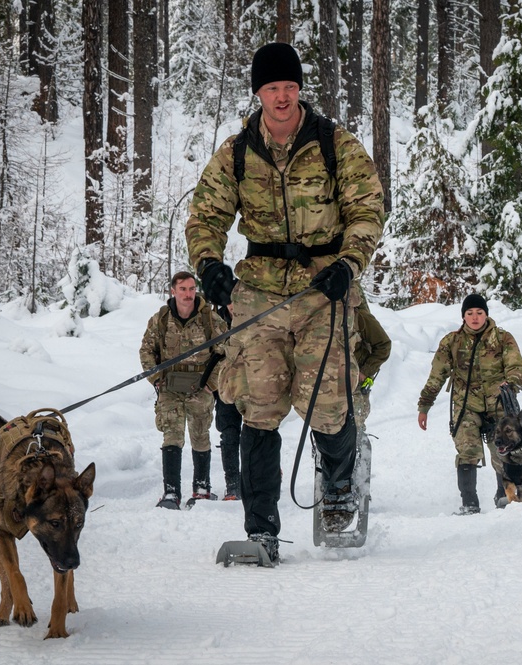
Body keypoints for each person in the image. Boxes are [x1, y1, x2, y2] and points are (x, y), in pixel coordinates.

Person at [184, 42, 384, 561]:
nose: (281, 96)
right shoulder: (236, 150)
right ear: (258, 92)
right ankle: (260, 528)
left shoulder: (335, 144)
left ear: (299, 90)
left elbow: (368, 210)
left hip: (325, 290)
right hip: (262, 292)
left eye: (289, 87)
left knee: (328, 404)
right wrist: (209, 266)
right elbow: (204, 215)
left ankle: (340, 485)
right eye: (271, 87)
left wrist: (349, 262)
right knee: (259, 407)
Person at [417, 294, 522, 515]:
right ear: (463, 316)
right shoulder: (452, 342)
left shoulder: (503, 339)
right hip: (467, 405)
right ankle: (469, 503)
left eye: (479, 313)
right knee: (467, 449)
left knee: (502, 450)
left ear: (486, 314)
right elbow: (437, 375)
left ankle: (504, 495)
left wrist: (511, 383)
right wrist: (424, 405)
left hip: (499, 404)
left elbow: (516, 365)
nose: (475, 317)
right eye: (470, 313)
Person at [139, 271, 228, 509]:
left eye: (191, 289)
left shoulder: (210, 318)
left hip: (201, 387)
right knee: (172, 436)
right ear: (172, 291)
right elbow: (146, 351)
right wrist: (157, 379)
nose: (188, 295)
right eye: (183, 290)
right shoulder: (161, 319)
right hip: (170, 388)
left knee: (200, 435)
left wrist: (212, 384)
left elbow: (226, 352)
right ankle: (171, 493)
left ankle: (201, 489)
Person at [212, 302, 242, 501]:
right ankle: (233, 484)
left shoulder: (258, 315)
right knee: (229, 435)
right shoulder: (215, 322)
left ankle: (263, 477)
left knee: (257, 435)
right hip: (225, 388)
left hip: (256, 388)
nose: (234, 304)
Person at [353, 284, 392, 425]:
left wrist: (365, 371)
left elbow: (384, 345)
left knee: (354, 429)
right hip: (329, 387)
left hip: (355, 386)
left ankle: (359, 445)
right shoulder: (320, 319)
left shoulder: (360, 317)